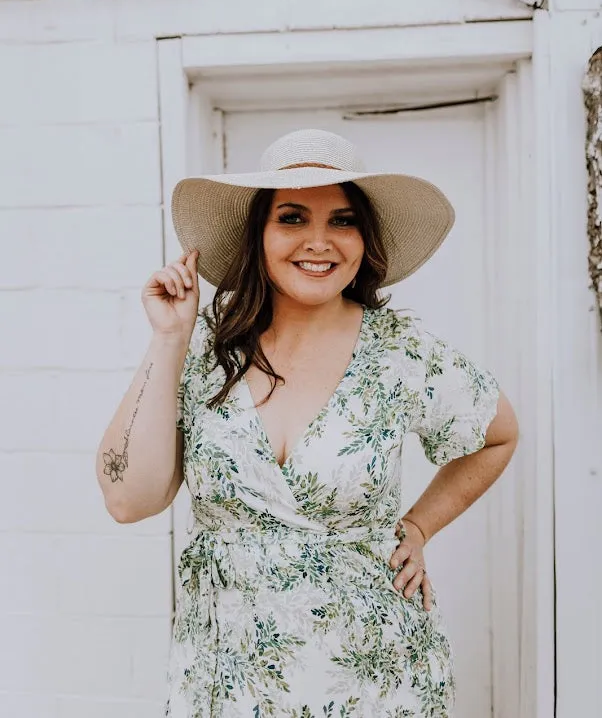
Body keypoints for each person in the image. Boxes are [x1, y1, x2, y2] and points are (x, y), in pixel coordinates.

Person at [97, 128, 518, 718]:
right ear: (259, 234)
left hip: (376, 675)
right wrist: (169, 338)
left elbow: (498, 434)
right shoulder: (202, 351)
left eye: (342, 221)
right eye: (292, 218)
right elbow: (127, 499)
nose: (319, 242)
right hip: (228, 674)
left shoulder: (401, 352)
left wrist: (418, 528)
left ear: (363, 239)